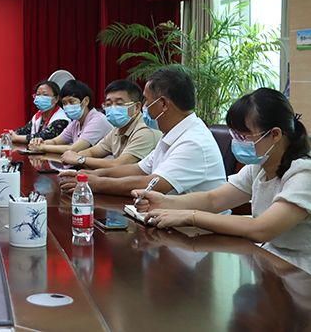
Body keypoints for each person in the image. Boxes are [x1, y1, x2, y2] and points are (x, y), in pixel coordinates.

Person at [134, 88, 311, 268]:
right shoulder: (258, 168)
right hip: (269, 261)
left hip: (299, 271)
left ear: (275, 134)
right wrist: (164, 201)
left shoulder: (304, 175)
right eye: (235, 135)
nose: (238, 142)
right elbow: (213, 199)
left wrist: (190, 217)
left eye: (243, 136)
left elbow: (261, 229)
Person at [58, 66, 225, 196]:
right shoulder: (173, 133)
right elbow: (138, 169)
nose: (144, 107)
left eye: (146, 101)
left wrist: (95, 183)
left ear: (163, 104)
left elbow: (153, 184)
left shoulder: (193, 141)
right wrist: (90, 175)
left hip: (195, 229)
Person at [59, 79, 161, 169]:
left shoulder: (145, 131)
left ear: (137, 107)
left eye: (119, 104)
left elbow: (119, 165)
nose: (112, 108)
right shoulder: (117, 129)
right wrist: (75, 156)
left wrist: (79, 159)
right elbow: (93, 151)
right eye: (108, 104)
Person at [29, 79, 112, 154]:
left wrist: (43, 147)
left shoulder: (97, 120)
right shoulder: (76, 122)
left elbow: (74, 149)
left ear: (86, 101)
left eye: (72, 102)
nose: (67, 106)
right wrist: (40, 142)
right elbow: (55, 141)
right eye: (64, 103)